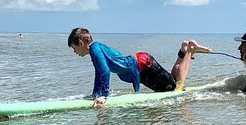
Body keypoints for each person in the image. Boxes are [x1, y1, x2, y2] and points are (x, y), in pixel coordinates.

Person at [68, 27, 211, 106]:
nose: (75, 52)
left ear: (81, 43)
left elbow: (105, 71)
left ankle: (190, 50)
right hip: (142, 64)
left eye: (74, 48)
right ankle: (184, 49)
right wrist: (95, 94)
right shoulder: (96, 49)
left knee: (175, 87)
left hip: (142, 65)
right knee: (172, 82)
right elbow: (99, 74)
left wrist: (104, 96)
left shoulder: (94, 49)